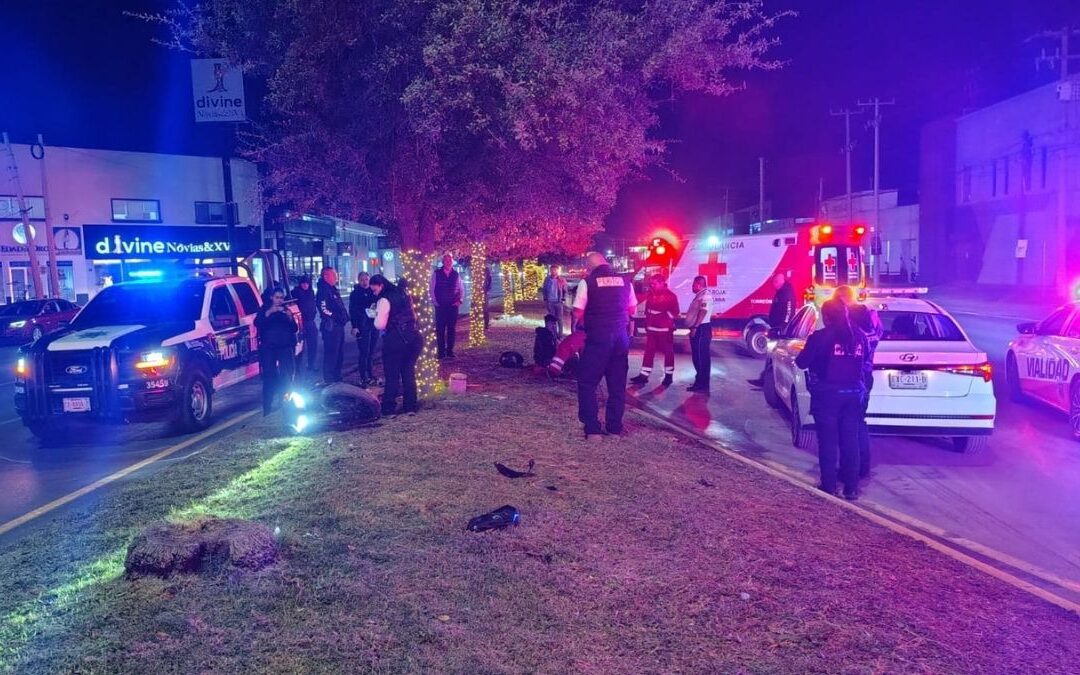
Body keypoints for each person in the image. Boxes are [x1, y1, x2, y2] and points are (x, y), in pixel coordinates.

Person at [795, 299, 869, 500]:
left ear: (826, 317)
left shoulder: (820, 337)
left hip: (827, 394)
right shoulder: (859, 336)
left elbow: (801, 362)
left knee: (828, 441)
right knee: (850, 440)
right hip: (853, 394)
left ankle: (828, 486)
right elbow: (865, 361)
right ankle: (851, 488)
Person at [573, 252, 638, 440]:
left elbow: (578, 312)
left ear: (589, 266)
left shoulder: (587, 282)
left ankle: (593, 429)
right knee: (617, 386)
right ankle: (614, 429)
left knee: (587, 383)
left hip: (598, 339)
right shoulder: (626, 281)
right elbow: (632, 308)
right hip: (620, 340)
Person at [833, 285, 883, 480]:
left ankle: (849, 469)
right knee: (859, 421)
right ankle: (863, 467)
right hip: (866, 374)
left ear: (841, 300)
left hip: (849, 375)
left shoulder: (848, 320)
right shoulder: (871, 318)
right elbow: (878, 335)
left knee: (845, 424)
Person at [370, 274, 422, 416]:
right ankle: (410, 406)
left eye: (374, 290)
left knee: (392, 375)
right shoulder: (404, 293)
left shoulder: (384, 300)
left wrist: (375, 315)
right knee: (408, 373)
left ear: (381, 285)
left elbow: (380, 324)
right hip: (413, 338)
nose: (374, 293)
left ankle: (389, 408)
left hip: (395, 340)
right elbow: (413, 316)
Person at [630, 273, 680, 387]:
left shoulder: (671, 296)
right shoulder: (651, 294)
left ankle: (668, 376)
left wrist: (661, 318)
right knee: (648, 353)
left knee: (668, 353)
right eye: (651, 284)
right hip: (652, 330)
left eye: (654, 284)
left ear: (662, 283)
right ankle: (644, 376)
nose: (652, 286)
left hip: (665, 331)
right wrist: (647, 324)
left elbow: (675, 312)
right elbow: (648, 310)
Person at [747, 272, 796, 387]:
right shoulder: (781, 291)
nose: (774, 284)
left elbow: (789, 312)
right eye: (773, 282)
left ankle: (767, 380)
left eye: (776, 282)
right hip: (776, 328)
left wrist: (783, 327)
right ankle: (765, 379)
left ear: (782, 281)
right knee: (771, 355)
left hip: (780, 330)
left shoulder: (786, 293)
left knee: (773, 355)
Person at [254, 287, 298, 415]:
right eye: (277, 297)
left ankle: (285, 405)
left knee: (287, 376)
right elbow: (258, 323)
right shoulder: (264, 309)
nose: (279, 300)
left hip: (284, 347)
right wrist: (269, 312)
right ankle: (267, 408)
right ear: (272, 298)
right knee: (269, 377)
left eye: (281, 298)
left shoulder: (286, 310)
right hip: (269, 348)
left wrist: (290, 317)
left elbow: (294, 328)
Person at [316, 267, 349, 383]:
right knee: (331, 354)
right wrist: (336, 316)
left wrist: (345, 317)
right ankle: (329, 380)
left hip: (338, 326)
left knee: (339, 354)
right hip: (331, 327)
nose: (336, 277)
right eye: (333, 275)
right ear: (326, 276)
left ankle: (337, 377)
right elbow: (323, 309)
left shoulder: (332, 289)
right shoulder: (323, 291)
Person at [430, 254, 464, 359]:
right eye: (446, 260)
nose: (448, 262)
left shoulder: (456, 274)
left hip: (452, 306)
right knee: (440, 330)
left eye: (450, 260)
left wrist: (460, 300)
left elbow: (461, 289)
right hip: (440, 306)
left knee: (451, 329)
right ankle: (441, 352)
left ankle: (450, 351)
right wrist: (435, 302)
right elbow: (432, 288)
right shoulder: (437, 273)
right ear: (443, 262)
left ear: (452, 262)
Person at [350, 272, 378, 386]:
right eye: (362, 280)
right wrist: (355, 326)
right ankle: (363, 377)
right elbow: (352, 311)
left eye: (366, 279)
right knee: (364, 352)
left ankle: (370, 374)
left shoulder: (373, 292)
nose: (364, 282)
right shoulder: (355, 294)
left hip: (374, 325)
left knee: (371, 352)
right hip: (362, 326)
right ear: (358, 280)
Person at [685, 275, 712, 393]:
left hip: (701, 329)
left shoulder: (705, 295)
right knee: (698, 356)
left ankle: (701, 384)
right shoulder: (700, 295)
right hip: (699, 328)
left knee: (701, 357)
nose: (692, 287)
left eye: (693, 285)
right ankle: (700, 382)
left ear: (699, 284)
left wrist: (695, 327)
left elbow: (703, 311)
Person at [292, 275, 318, 372]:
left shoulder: (311, 292)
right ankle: (298, 367)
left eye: (307, 283)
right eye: (303, 283)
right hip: (301, 323)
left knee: (313, 345)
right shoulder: (295, 293)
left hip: (310, 322)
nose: (305, 285)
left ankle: (311, 364)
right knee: (300, 347)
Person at [541, 265, 568, 337]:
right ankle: (554, 333)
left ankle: (560, 334)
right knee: (552, 318)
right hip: (550, 301)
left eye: (555, 270)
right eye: (552, 270)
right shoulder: (547, 279)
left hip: (558, 302)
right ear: (550, 270)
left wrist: (563, 299)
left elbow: (565, 290)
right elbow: (544, 289)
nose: (553, 271)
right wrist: (545, 299)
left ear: (557, 271)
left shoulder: (561, 279)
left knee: (559, 318)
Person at [483, 266, 493, 331]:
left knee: (485, 310)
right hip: (483, 293)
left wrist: (486, 291)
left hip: (485, 294)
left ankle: (486, 325)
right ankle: (485, 325)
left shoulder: (489, 277)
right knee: (484, 310)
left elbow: (489, 285)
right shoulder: (488, 277)